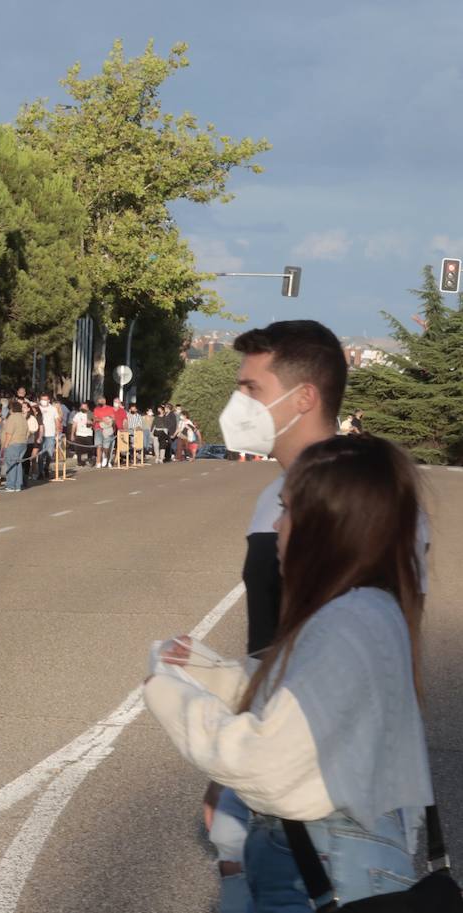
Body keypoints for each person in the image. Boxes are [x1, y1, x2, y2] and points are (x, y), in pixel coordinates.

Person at [146, 434, 430, 910]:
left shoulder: (348, 621)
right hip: (332, 859)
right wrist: (208, 671)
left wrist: (168, 695)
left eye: (286, 509)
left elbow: (269, 763)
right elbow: (303, 707)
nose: (275, 525)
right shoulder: (364, 611)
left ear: (327, 525)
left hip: (324, 867)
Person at [198, 320, 370, 911]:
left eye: (250, 388)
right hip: (271, 780)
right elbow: (273, 638)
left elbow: (356, 652)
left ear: (303, 398)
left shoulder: (357, 501)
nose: (237, 403)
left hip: (321, 803)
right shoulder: (271, 498)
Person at [1, 399, 30, 493]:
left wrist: (5, 445)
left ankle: (10, 485)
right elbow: (27, 431)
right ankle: (18, 485)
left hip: (13, 443)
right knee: (18, 464)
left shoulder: (12, 418)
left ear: (12, 409)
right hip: (23, 443)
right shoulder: (23, 418)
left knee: (11, 464)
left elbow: (9, 433)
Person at [70, 402, 93, 467]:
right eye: (82, 407)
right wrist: (72, 434)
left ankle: (89, 460)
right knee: (78, 449)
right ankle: (79, 462)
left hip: (88, 434)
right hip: (79, 434)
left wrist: (91, 422)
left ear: (87, 408)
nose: (83, 408)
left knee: (89, 448)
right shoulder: (77, 415)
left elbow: (94, 422)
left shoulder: (90, 414)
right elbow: (74, 425)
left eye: (85, 407)